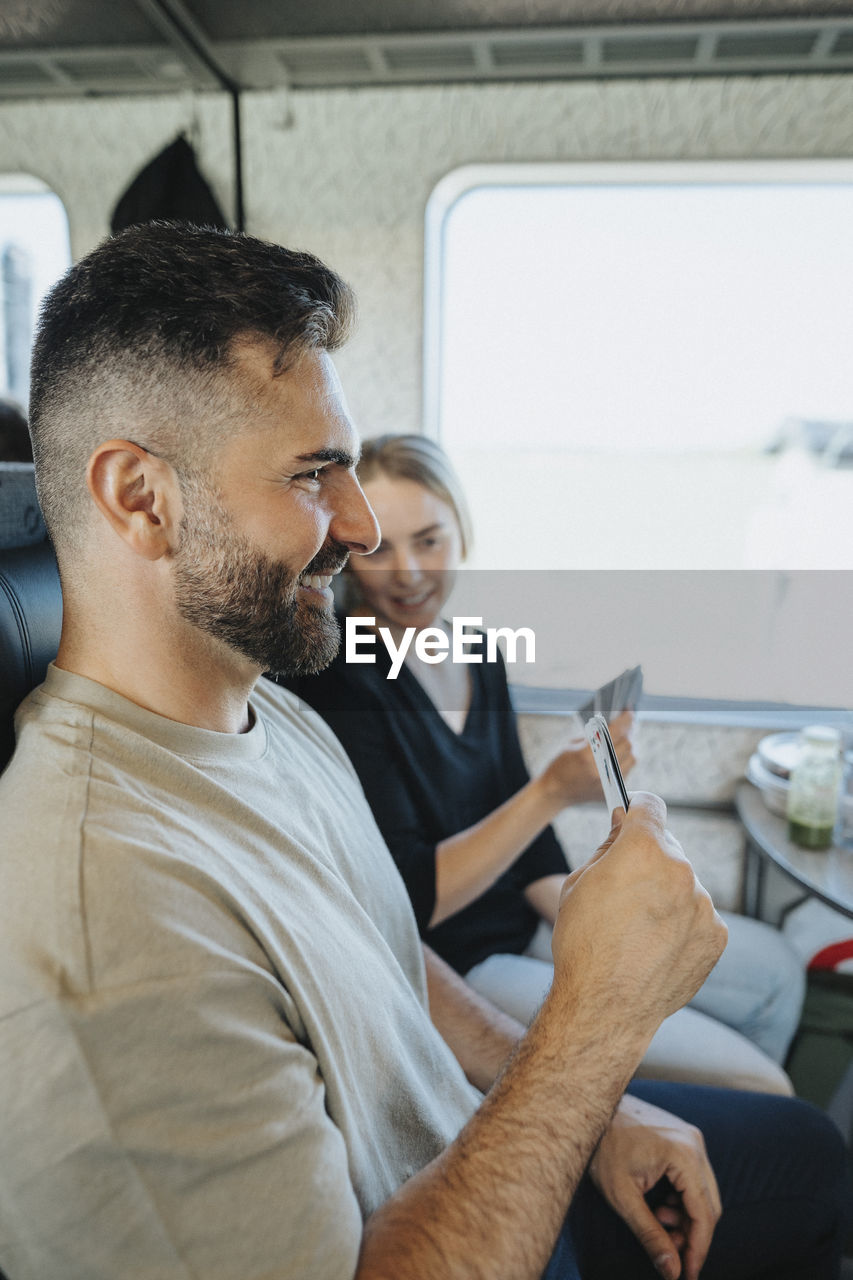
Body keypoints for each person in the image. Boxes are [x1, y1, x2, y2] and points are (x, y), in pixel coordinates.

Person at [0, 222, 847, 1280]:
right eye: (314, 475)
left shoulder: (271, 712)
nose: (359, 530)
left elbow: (393, 958)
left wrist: (602, 1106)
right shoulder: (100, 919)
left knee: (810, 1158)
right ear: (140, 496)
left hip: (482, 1141)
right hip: (456, 1227)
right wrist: (592, 1028)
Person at [285, 433, 806, 1088]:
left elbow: (523, 837)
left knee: (777, 972)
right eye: (382, 548)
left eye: (429, 540)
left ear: (462, 536)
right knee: (760, 1083)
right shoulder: (339, 681)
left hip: (523, 923)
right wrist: (552, 793)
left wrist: (591, 918)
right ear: (352, 550)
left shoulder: (478, 655)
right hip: (457, 966)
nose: (409, 573)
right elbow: (411, 903)